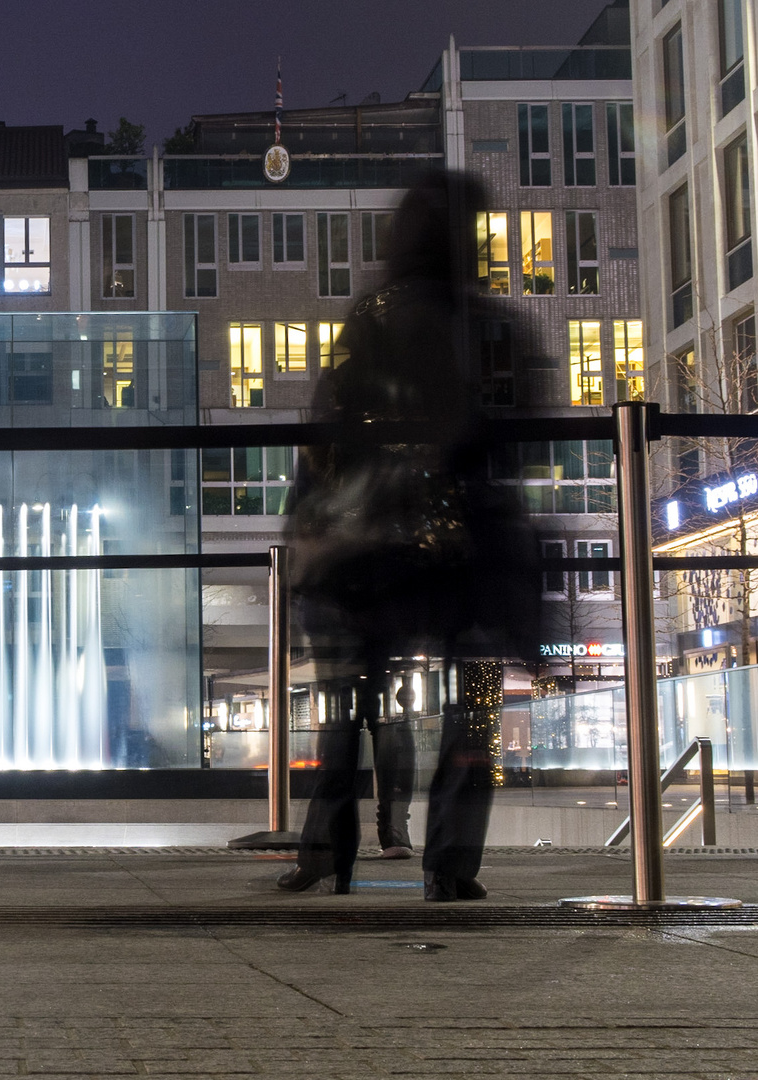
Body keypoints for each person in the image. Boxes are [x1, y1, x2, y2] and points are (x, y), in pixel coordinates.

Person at [276, 170, 541, 900]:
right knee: (474, 712)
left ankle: (328, 852)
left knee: (344, 708)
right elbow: (521, 440)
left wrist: (315, 537)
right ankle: (449, 866)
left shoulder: (369, 317)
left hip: (363, 558)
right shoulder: (491, 324)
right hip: (464, 559)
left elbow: (326, 434)